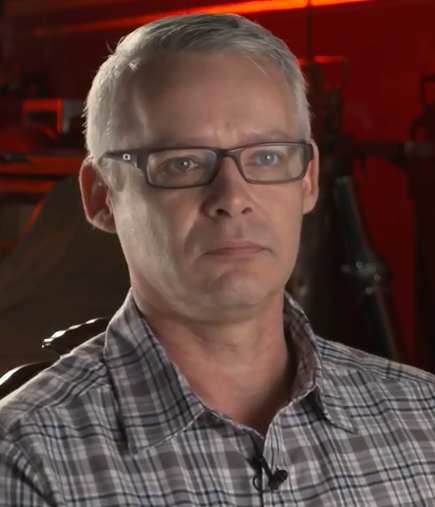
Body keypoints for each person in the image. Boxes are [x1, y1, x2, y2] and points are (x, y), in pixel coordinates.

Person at [0, 12, 435, 507]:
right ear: (102, 196)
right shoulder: (25, 459)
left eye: (267, 157)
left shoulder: (424, 421)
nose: (233, 197)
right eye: (182, 163)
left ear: (308, 179)